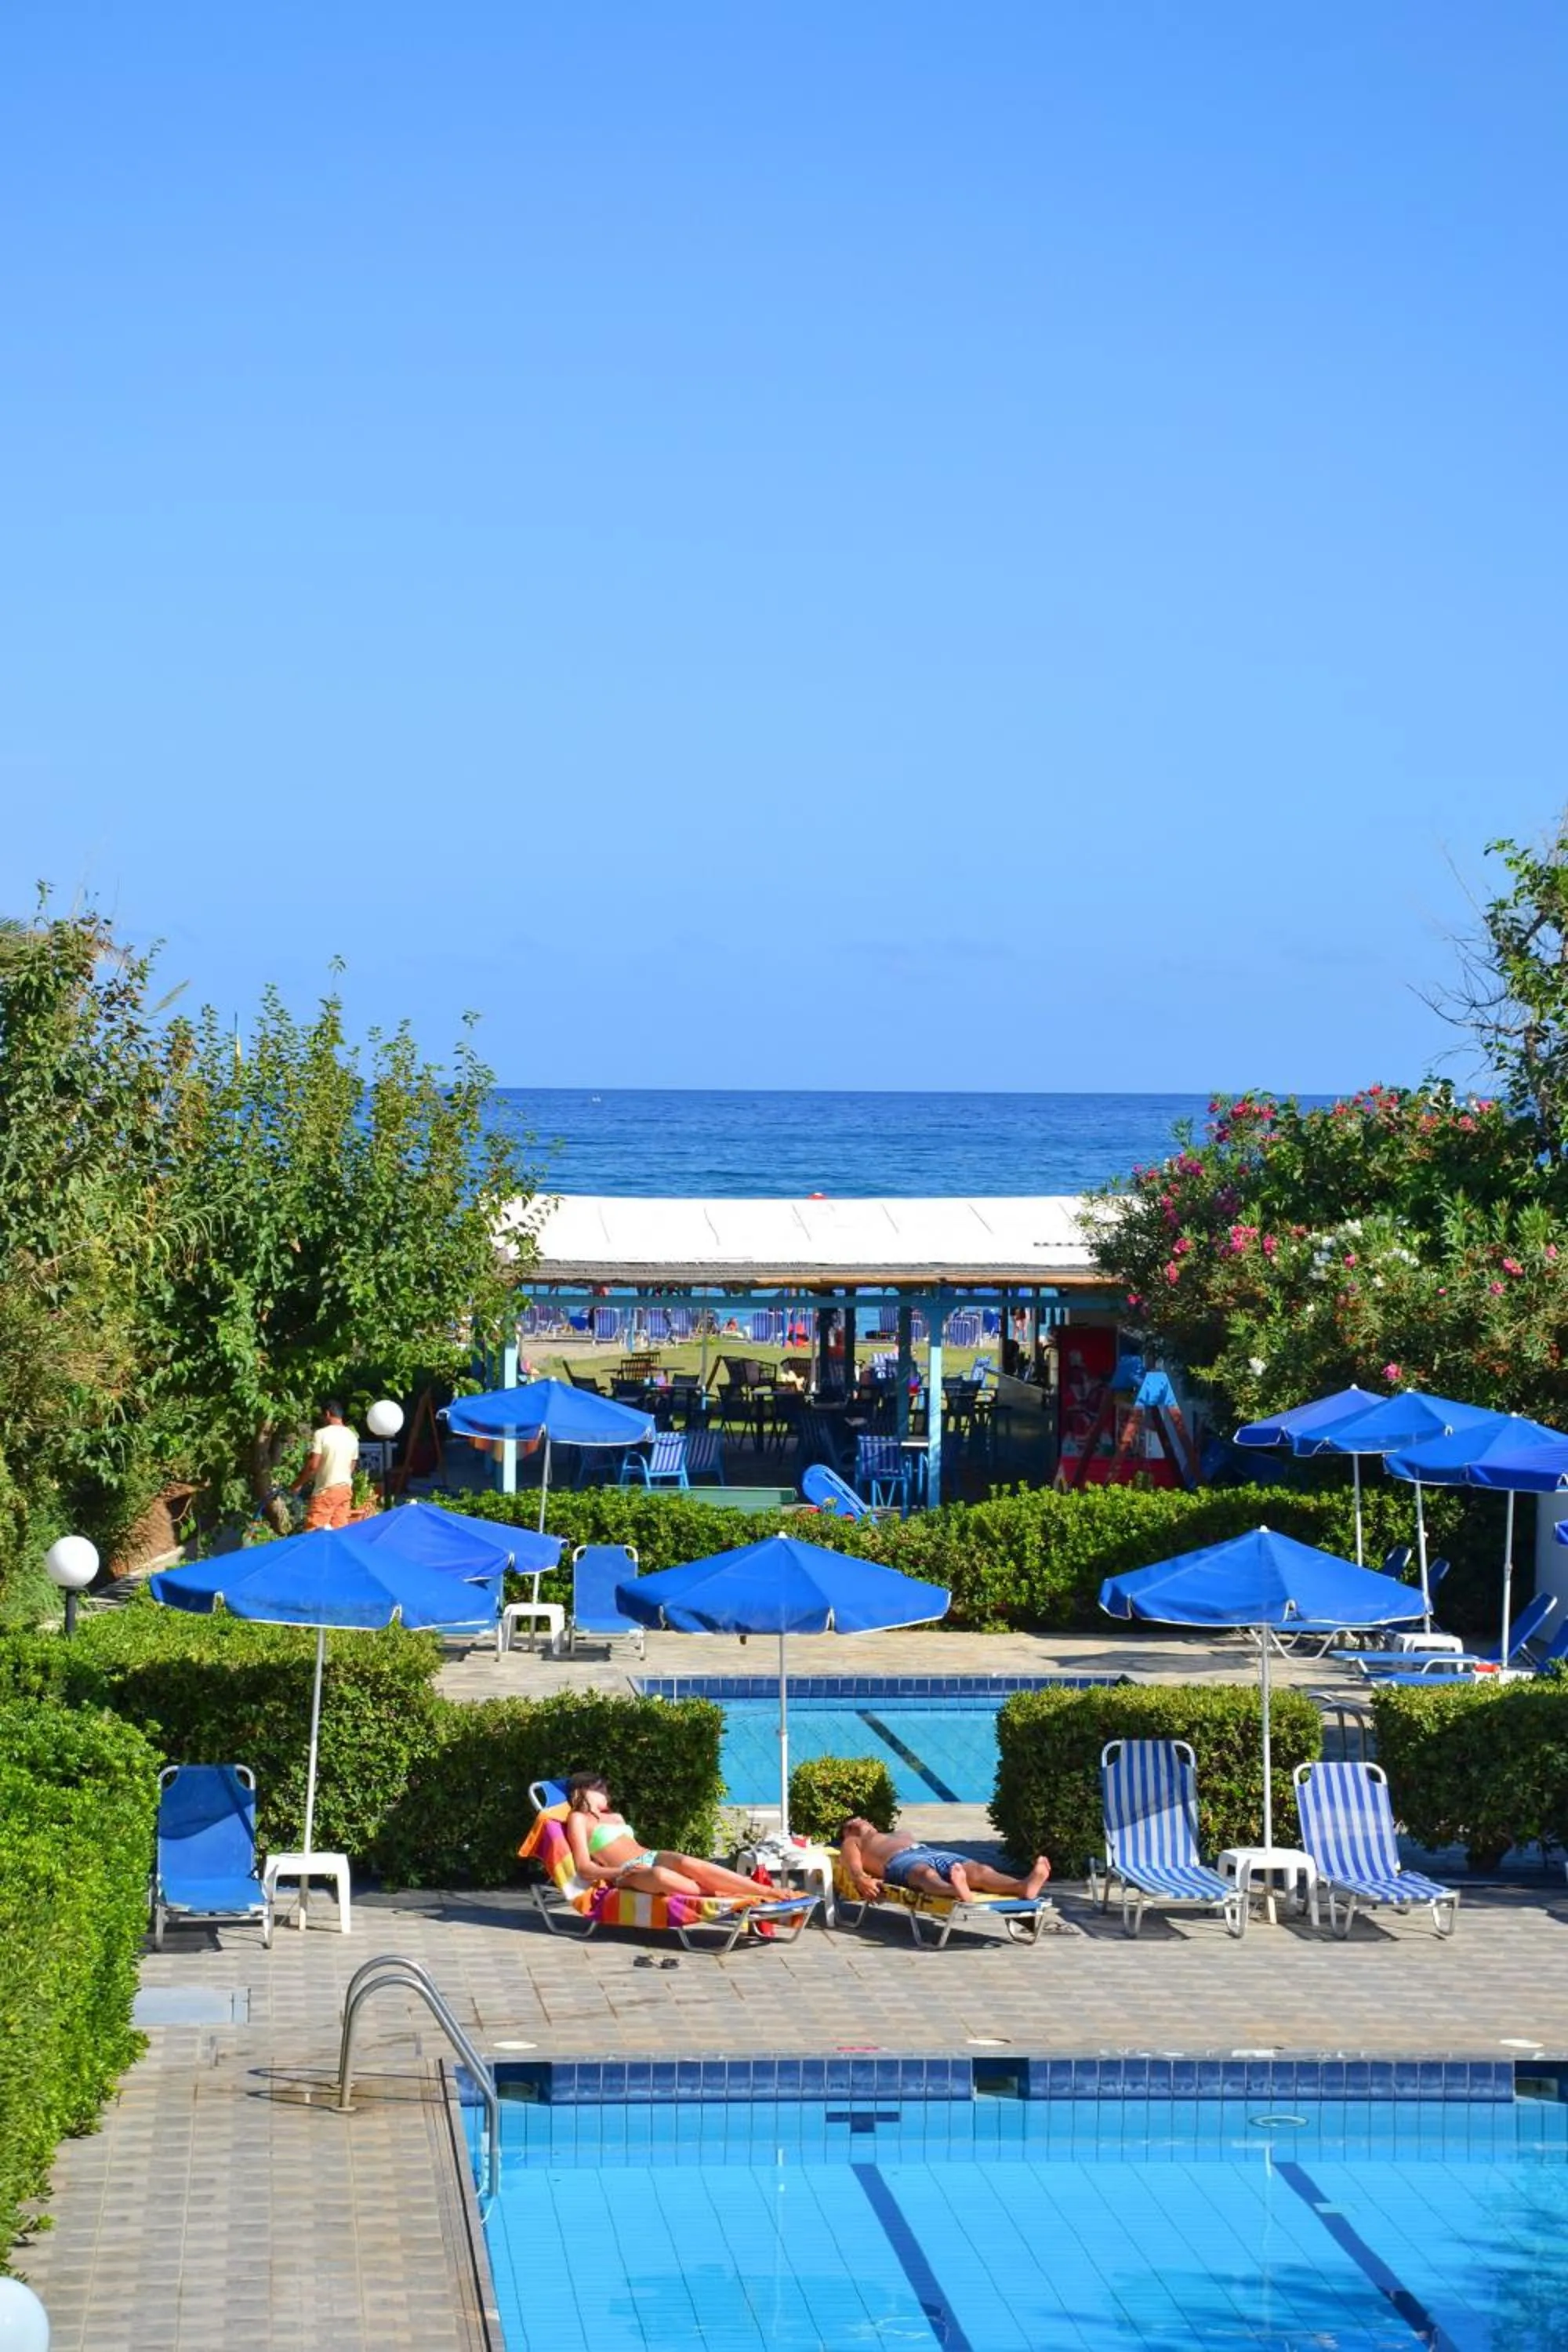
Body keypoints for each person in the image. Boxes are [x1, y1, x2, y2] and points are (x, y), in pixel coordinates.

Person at [562, 1773, 772, 1903]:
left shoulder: (615, 1817)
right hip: (626, 1874)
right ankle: (732, 1895)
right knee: (661, 1876)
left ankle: (765, 1891)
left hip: (651, 1857)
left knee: (686, 1861)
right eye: (600, 1789)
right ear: (582, 1791)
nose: (607, 1793)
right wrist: (623, 1870)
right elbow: (584, 1868)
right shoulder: (579, 1819)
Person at [837, 1818, 1051, 1904]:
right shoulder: (854, 1841)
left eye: (860, 1818)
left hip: (928, 1851)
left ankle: (1023, 1886)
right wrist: (860, 1879)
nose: (858, 1821)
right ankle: (955, 1890)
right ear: (847, 1832)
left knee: (980, 1870)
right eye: (851, 1823)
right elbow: (851, 1864)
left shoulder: (895, 1833)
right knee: (924, 1874)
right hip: (899, 1861)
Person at [294, 1402, 360, 1531]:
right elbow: (351, 1466)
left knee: (314, 1534)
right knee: (339, 1533)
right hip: (345, 1490)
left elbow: (313, 1466)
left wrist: (298, 1484)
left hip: (326, 1491)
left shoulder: (321, 1434)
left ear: (328, 1414)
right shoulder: (352, 1436)